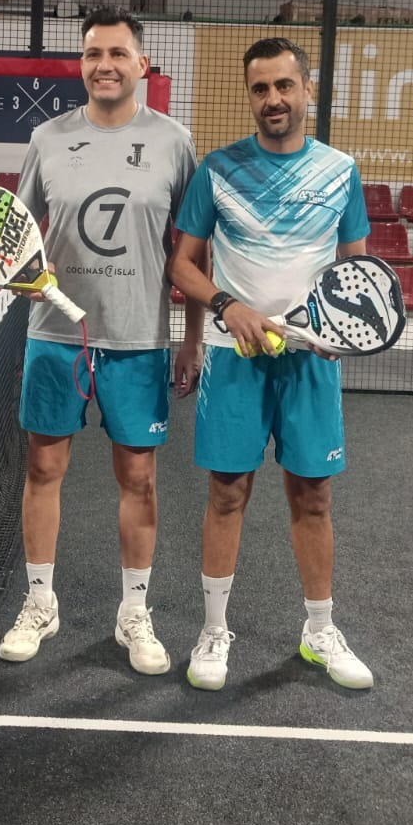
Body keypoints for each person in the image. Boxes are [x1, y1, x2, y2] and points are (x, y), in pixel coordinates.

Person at [0, 6, 202, 676]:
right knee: (43, 470)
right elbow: (16, 234)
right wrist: (23, 277)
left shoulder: (174, 142)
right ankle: (39, 603)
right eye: (93, 53)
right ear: (81, 63)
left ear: (142, 64)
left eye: (117, 53)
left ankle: (133, 612)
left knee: (138, 478)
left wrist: (192, 338)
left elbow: (192, 249)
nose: (104, 65)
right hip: (55, 336)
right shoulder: (47, 138)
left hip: (139, 338)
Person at [166, 36, 375, 692]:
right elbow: (182, 264)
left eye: (284, 85)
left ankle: (320, 631)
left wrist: (342, 330)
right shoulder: (217, 170)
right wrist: (226, 308)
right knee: (227, 492)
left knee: (314, 495)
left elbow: (355, 271)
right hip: (235, 359)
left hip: (309, 362)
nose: (273, 99)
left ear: (308, 89)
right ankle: (213, 630)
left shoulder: (340, 171)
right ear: (250, 96)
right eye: (260, 88)